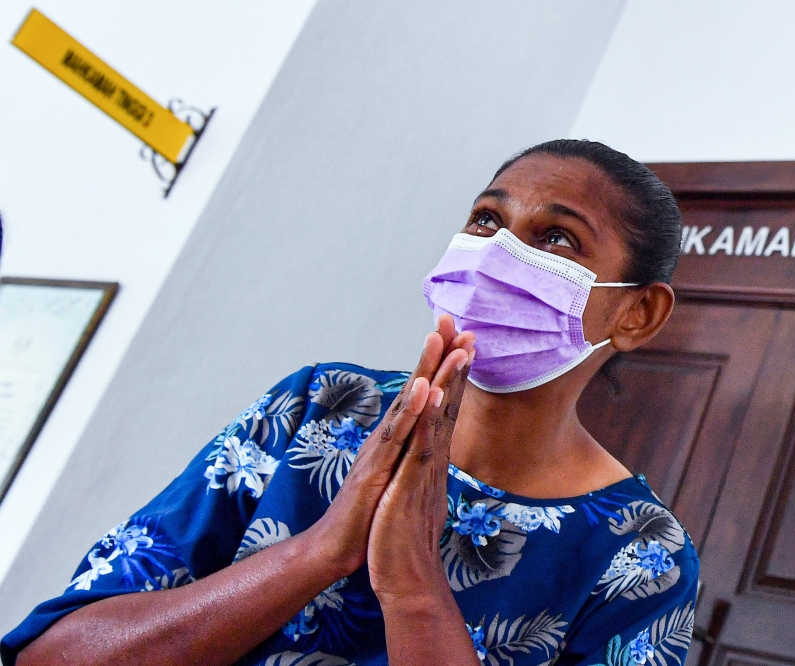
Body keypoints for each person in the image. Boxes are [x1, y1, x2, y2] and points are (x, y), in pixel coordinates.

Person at [2, 140, 699, 666]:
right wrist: (316, 554)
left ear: (636, 313)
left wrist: (414, 588)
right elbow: (52, 656)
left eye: (555, 237)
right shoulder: (325, 407)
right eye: (487, 219)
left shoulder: (642, 557)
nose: (497, 254)